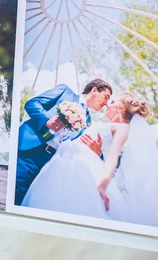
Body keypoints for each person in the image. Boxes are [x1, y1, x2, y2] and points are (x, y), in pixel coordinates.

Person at [22, 92, 158, 231]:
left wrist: (102, 185)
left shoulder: (122, 128)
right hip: (66, 160)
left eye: (112, 102)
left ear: (121, 109)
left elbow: (113, 156)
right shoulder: (106, 124)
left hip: (81, 165)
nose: (108, 104)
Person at [14, 78, 112, 206]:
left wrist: (99, 154)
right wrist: (46, 121)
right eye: (106, 97)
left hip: (49, 162)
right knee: (16, 192)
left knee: (28, 200)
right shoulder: (65, 92)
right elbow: (32, 104)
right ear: (94, 90)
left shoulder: (87, 121)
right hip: (31, 150)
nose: (107, 103)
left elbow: (84, 147)